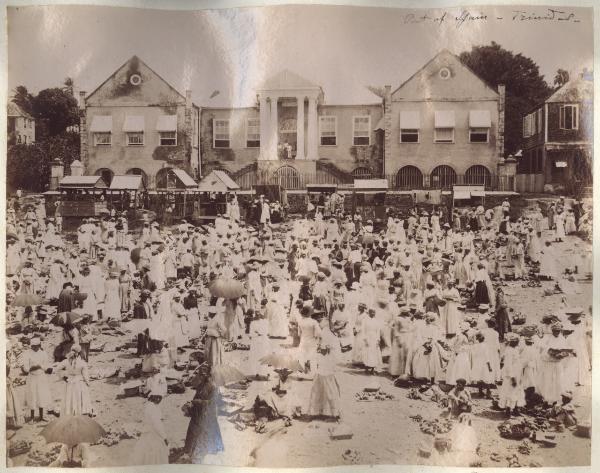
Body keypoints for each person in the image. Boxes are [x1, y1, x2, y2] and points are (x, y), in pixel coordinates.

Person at [184, 367, 224, 464]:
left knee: (204, 433)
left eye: (202, 374)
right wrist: (191, 403)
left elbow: (213, 402)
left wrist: (199, 402)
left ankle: (202, 452)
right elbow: (196, 396)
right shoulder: (201, 384)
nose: (200, 376)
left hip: (207, 413)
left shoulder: (213, 387)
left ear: (208, 375)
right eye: (200, 374)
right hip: (198, 411)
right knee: (193, 431)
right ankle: (191, 450)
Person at [307, 319, 341, 419]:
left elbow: (325, 350)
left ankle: (327, 411)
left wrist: (319, 351)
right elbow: (324, 350)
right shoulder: (328, 334)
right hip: (326, 363)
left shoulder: (327, 334)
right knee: (324, 387)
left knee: (324, 387)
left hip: (326, 363)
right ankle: (323, 410)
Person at [132, 393, 169, 465]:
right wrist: (164, 437)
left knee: (146, 453)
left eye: (160, 397)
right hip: (154, 434)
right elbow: (156, 424)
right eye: (157, 397)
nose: (159, 400)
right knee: (156, 454)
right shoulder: (153, 408)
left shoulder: (149, 406)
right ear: (153, 397)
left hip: (148, 432)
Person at [55, 344, 92, 416]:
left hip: (69, 382)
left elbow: (57, 369)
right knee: (78, 399)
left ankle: (69, 414)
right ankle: (79, 414)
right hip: (79, 383)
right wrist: (87, 383)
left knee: (69, 399)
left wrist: (63, 377)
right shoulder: (82, 363)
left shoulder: (66, 361)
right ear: (79, 353)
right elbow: (85, 375)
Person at [22, 337, 51, 423]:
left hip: (41, 377)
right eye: (33, 346)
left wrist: (41, 367)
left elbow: (46, 367)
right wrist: (35, 367)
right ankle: (32, 417)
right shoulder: (27, 354)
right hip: (32, 377)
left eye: (36, 346)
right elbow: (26, 369)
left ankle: (42, 416)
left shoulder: (43, 354)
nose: (34, 348)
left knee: (41, 395)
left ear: (39, 345)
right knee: (32, 396)